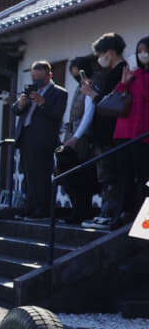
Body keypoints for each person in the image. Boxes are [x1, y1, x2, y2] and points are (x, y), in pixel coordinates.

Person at [81, 33, 129, 227]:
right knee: (107, 175)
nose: (100, 58)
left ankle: (110, 213)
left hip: (112, 131)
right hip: (107, 132)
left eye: (100, 53)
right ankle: (107, 212)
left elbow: (113, 103)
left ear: (110, 52)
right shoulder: (113, 72)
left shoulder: (121, 72)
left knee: (110, 176)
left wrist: (91, 93)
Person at [11, 60, 67, 219]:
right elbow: (16, 110)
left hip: (44, 139)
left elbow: (57, 113)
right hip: (26, 137)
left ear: (49, 75)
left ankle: (42, 209)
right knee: (28, 175)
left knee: (41, 175)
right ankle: (29, 207)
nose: (36, 81)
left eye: (39, 78)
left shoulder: (59, 93)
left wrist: (42, 101)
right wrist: (21, 103)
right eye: (33, 77)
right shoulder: (31, 90)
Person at [58, 56, 99, 224]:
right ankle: (77, 211)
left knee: (80, 178)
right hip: (73, 133)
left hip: (82, 137)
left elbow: (89, 113)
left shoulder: (90, 86)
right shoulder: (79, 87)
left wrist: (76, 137)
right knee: (70, 177)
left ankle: (81, 211)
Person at [112, 35, 149, 217]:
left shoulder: (141, 76)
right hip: (126, 131)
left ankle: (142, 216)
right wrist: (124, 83)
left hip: (143, 133)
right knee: (124, 174)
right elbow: (118, 98)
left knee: (143, 176)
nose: (142, 55)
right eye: (139, 51)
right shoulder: (134, 74)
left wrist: (139, 76)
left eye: (146, 51)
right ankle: (124, 212)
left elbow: (145, 94)